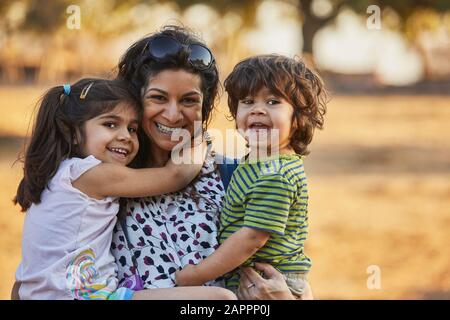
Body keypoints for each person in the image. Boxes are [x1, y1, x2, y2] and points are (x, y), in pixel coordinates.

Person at [111, 25, 314, 299]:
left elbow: (288, 270)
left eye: (189, 100)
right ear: (134, 100)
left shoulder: (233, 175)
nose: (173, 115)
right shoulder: (104, 185)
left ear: (204, 108)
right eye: (158, 97)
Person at [12, 78, 235, 300]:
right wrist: (197, 137)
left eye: (132, 128)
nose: (125, 136)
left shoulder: (57, 174)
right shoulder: (90, 174)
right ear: (73, 133)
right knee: (221, 298)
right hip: (85, 296)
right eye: (110, 124)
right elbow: (174, 175)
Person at [175, 54, 327, 298]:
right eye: (247, 101)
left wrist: (196, 274)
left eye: (273, 102)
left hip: (269, 282)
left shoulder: (275, 175)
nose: (257, 109)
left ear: (298, 118)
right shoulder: (258, 163)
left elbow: (251, 238)